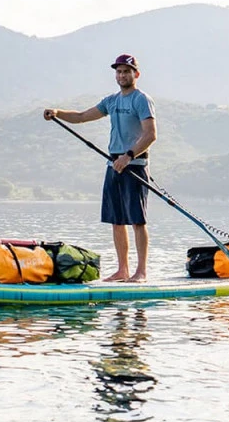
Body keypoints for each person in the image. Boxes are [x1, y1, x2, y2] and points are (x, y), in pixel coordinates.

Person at [44, 54, 157, 282]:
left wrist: (128, 156)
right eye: (119, 71)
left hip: (134, 165)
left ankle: (141, 271)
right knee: (117, 220)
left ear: (136, 74)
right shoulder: (111, 101)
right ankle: (123, 270)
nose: (122, 75)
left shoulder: (141, 100)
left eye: (127, 71)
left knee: (137, 220)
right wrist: (58, 113)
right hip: (113, 164)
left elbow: (150, 135)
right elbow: (82, 116)